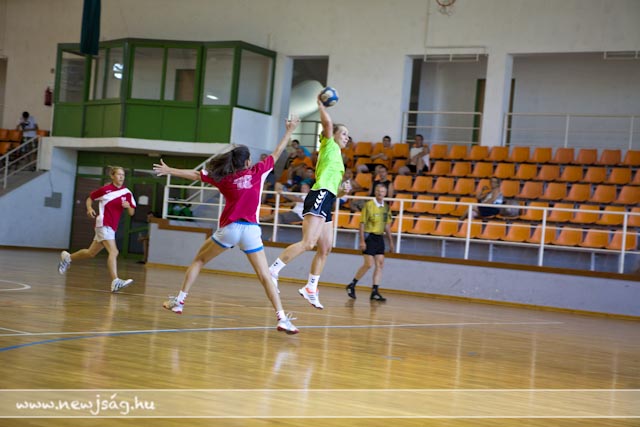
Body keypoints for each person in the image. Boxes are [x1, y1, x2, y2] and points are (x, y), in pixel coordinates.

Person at [151, 117, 301, 335]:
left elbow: (196, 175)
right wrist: (289, 131)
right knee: (265, 276)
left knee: (199, 261)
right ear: (247, 162)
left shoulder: (223, 178)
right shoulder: (258, 172)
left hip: (229, 230)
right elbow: (277, 153)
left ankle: (180, 302)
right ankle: (282, 318)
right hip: (251, 231)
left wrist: (170, 170)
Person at [269, 93, 349, 310]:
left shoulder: (339, 159)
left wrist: (342, 191)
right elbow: (328, 124)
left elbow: (334, 191)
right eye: (344, 133)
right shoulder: (329, 144)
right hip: (319, 195)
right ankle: (273, 270)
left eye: (348, 135)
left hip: (328, 199)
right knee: (308, 243)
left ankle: (311, 288)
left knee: (326, 247)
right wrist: (321, 106)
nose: (347, 137)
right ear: (333, 135)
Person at [58, 166, 137, 292]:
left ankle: (68, 258)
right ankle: (115, 281)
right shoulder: (105, 190)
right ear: (112, 176)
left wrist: (128, 206)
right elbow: (90, 198)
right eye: (119, 174)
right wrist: (89, 208)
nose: (121, 177)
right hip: (104, 223)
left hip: (111, 227)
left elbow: (132, 212)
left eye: (123, 175)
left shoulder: (127, 193)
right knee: (114, 252)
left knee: (91, 253)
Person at [346, 183, 394, 301]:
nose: (380, 193)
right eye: (378, 191)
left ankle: (375, 291)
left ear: (385, 193)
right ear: (375, 192)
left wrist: (391, 242)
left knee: (380, 264)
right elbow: (362, 224)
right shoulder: (368, 205)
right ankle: (352, 285)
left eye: (382, 191)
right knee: (368, 264)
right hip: (369, 236)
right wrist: (362, 240)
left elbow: (387, 226)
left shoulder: (386, 207)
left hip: (379, 237)